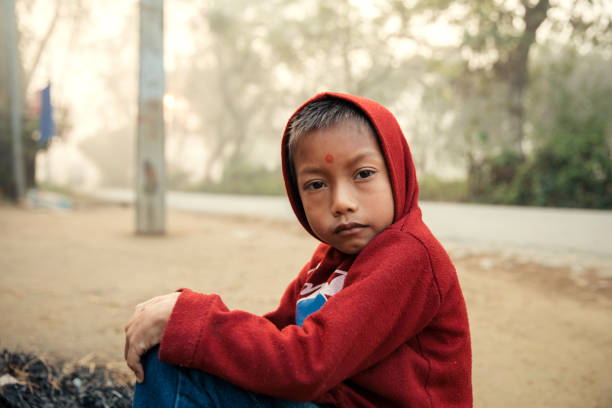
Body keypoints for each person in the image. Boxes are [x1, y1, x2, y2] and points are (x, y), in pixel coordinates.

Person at [124, 92, 472, 407]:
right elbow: (277, 337)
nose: (342, 202)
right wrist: (185, 322)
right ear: (296, 193)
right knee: (175, 357)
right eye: (316, 184)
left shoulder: (409, 256)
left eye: (363, 174)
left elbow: (306, 365)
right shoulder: (329, 260)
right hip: (327, 396)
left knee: (181, 361)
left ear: (397, 171)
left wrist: (192, 320)